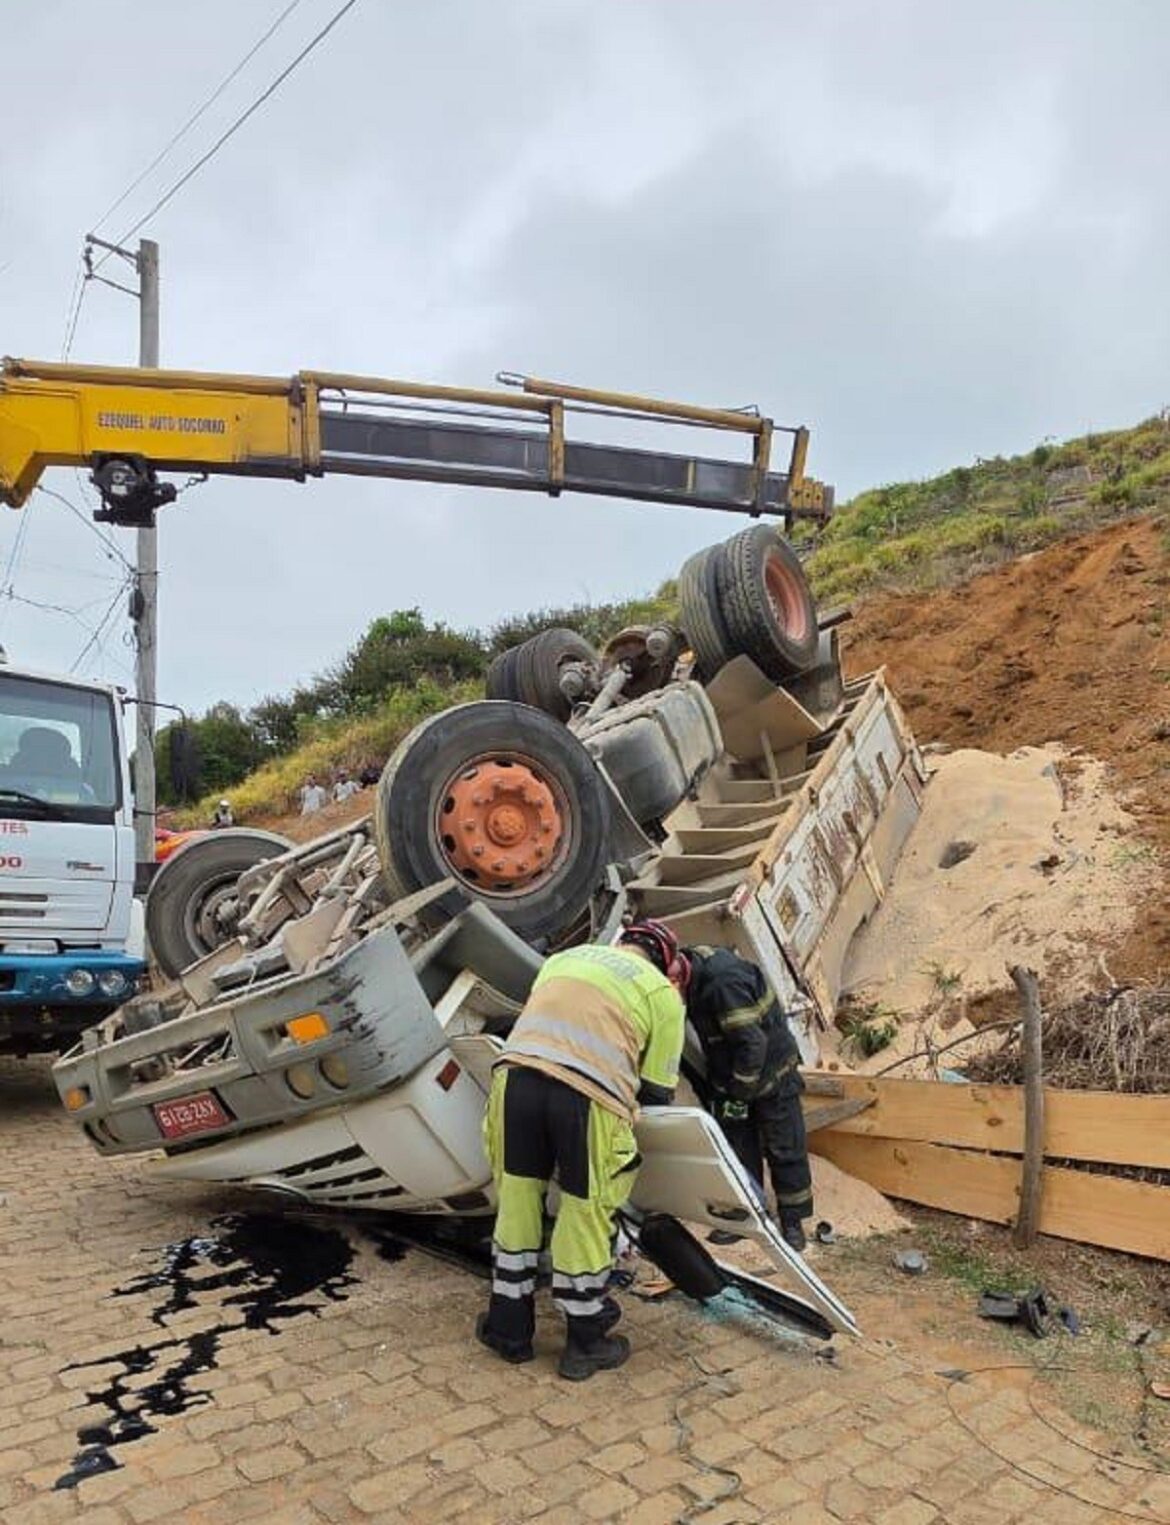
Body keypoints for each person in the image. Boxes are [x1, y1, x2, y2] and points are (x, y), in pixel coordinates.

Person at [477, 920, 687, 1381]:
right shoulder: (661, 993)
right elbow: (656, 1093)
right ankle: (586, 1342)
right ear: (666, 963)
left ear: (624, 943)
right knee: (585, 1210)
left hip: (515, 1080)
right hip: (588, 1100)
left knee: (516, 1204)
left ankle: (508, 1330)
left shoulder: (564, 959)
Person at [683, 944, 813, 1253]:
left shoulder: (722, 983)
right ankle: (749, 1215)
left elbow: (753, 1043)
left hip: (772, 1073)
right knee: (739, 1146)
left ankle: (792, 1222)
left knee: (784, 1145)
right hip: (734, 1074)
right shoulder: (693, 977)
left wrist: (740, 1091)